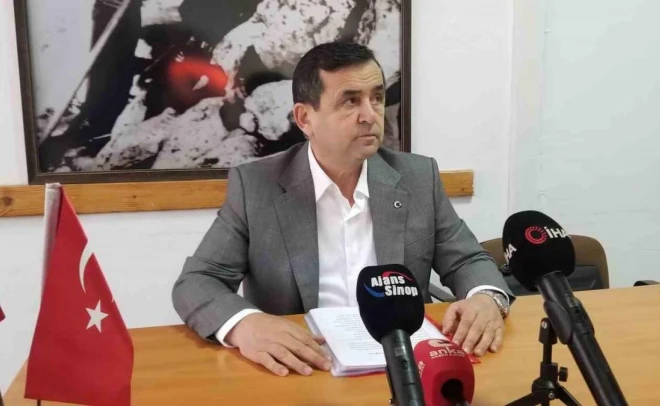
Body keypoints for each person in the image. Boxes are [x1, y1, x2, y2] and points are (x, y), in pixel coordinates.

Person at [172, 41, 514, 377]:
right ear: (305, 118)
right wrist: (245, 325)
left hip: (407, 365)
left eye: (376, 98)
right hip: (307, 367)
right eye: (350, 101)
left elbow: (468, 260)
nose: (370, 115)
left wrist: (486, 298)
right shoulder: (257, 186)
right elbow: (198, 281)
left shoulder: (417, 177)